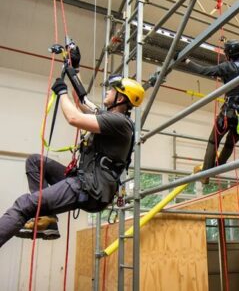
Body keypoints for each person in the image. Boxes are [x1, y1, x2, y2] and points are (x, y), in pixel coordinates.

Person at [0, 48, 145, 247]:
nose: (108, 91)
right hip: (85, 181)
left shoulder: (119, 123)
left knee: (24, 205)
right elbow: (83, 102)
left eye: (112, 90)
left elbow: (74, 117)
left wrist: (62, 93)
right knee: (35, 162)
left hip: (91, 188)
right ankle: (48, 219)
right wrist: (73, 68)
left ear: (120, 99)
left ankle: (40, 215)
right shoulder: (110, 116)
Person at [183, 39, 239, 184]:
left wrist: (186, 61)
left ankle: (206, 174)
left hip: (229, 113)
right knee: (229, 144)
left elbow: (204, 70)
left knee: (213, 141)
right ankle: (218, 168)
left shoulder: (227, 67)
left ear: (228, 53)